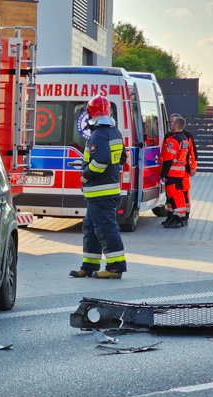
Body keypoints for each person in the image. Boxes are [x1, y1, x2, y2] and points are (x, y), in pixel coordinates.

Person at [69, 95, 128, 280]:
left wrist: (87, 174)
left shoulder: (99, 134)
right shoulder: (114, 132)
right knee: (91, 228)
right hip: (105, 190)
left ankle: (115, 267)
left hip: (100, 191)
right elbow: (122, 158)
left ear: (90, 113)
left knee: (105, 229)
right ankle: (89, 266)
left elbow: (100, 160)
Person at [160, 116, 191, 229]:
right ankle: (179, 218)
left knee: (175, 195)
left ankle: (177, 218)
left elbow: (168, 158)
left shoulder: (174, 140)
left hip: (172, 172)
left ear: (176, 125)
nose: (171, 126)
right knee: (177, 195)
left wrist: (163, 173)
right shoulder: (184, 139)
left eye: (172, 124)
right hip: (180, 172)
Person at [169, 113, 198, 223]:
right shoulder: (170, 135)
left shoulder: (187, 135)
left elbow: (193, 152)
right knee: (172, 194)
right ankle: (172, 215)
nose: (171, 124)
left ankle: (185, 215)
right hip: (172, 171)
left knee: (184, 192)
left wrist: (193, 167)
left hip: (184, 170)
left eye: (173, 122)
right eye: (170, 122)